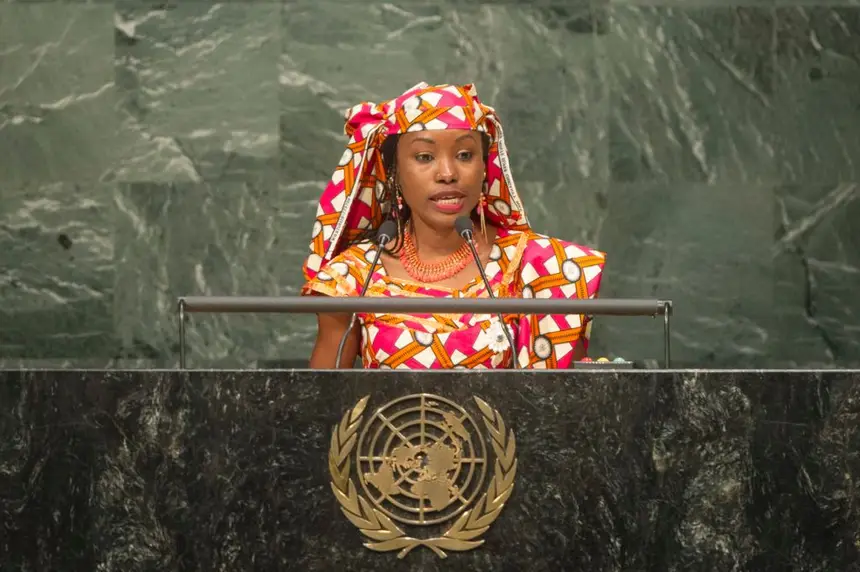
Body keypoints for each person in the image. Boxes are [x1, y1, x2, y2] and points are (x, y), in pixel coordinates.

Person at [301, 82, 606, 369]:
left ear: (484, 167)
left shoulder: (542, 268)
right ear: (394, 172)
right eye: (425, 157)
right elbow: (321, 401)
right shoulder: (354, 276)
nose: (447, 173)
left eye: (464, 155)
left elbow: (568, 399)